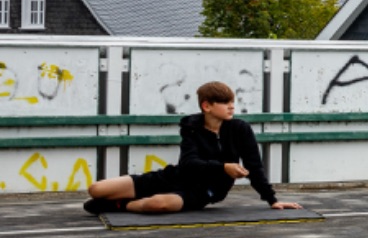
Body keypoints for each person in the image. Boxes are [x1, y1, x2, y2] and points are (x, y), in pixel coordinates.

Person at [82, 81, 302, 216]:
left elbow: (254, 167)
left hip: (204, 190)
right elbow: (188, 163)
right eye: (225, 102)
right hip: (175, 177)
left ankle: (121, 205)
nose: (231, 106)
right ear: (207, 106)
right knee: (96, 189)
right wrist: (223, 167)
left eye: (232, 101)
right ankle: (114, 199)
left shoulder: (240, 129)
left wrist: (272, 200)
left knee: (158, 204)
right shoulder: (191, 128)